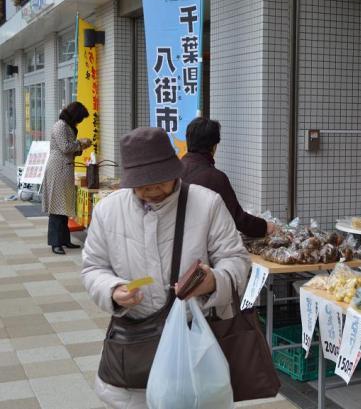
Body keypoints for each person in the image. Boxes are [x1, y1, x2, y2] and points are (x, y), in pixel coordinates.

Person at [82, 127, 251, 409]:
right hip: (135, 345)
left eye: (159, 182)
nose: (151, 190)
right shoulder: (108, 211)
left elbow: (237, 260)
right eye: (142, 184)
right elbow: (93, 267)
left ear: (175, 171)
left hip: (194, 342)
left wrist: (213, 282)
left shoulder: (207, 204)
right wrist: (113, 291)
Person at [181, 117, 275, 237]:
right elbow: (237, 219)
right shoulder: (215, 178)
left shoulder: (174, 170)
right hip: (200, 246)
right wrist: (265, 226)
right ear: (214, 146)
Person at [41, 102, 91, 254]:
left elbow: (71, 150)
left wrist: (80, 146)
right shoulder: (60, 126)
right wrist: (81, 144)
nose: (80, 121)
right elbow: (66, 147)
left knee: (64, 207)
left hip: (66, 168)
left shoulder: (67, 126)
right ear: (75, 115)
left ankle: (64, 240)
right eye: (80, 118)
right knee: (56, 207)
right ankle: (55, 243)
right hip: (58, 169)